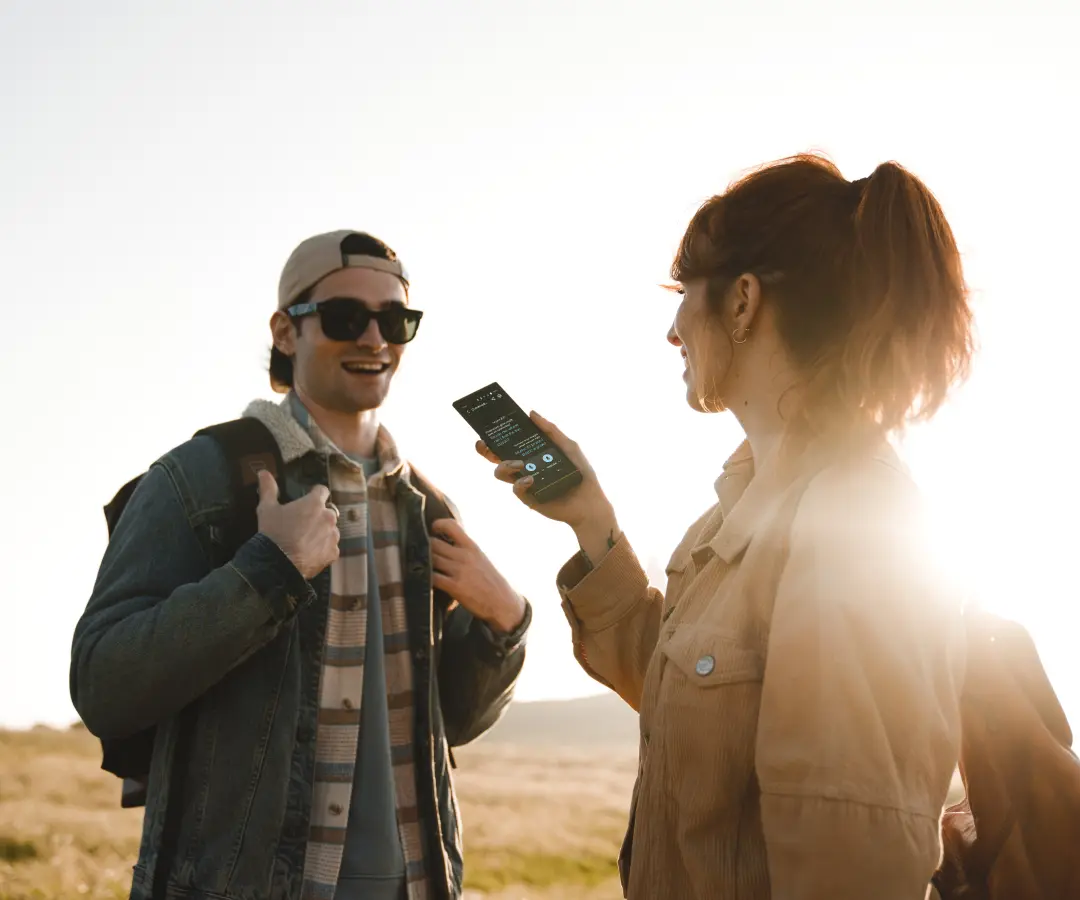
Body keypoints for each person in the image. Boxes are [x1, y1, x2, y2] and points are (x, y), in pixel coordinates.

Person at [477, 155, 973, 899]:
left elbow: (847, 867)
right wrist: (593, 522)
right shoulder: (738, 508)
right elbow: (693, 699)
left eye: (683, 293)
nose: (672, 331)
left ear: (742, 303)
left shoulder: (854, 528)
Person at [71, 230, 531, 900]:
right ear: (287, 332)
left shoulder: (429, 509)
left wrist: (504, 624)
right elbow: (103, 684)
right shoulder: (201, 480)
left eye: (397, 320)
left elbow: (448, 723)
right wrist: (268, 573)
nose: (376, 339)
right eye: (347, 317)